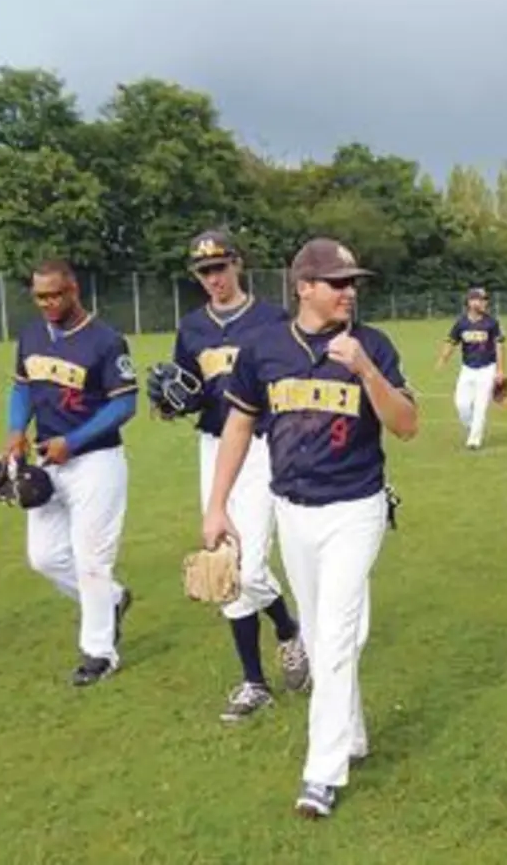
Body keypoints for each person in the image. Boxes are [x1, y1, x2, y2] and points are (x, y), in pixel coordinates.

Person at [202, 238, 418, 819]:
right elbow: (239, 429)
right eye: (337, 282)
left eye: (353, 283)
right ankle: (351, 734)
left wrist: (368, 370)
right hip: (292, 510)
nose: (350, 291)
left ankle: (321, 774)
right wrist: (217, 505)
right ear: (304, 287)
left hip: (356, 507)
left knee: (335, 635)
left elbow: (407, 425)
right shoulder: (264, 348)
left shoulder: (373, 345)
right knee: (327, 635)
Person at [158, 229, 311, 721]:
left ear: (238, 265)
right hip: (216, 448)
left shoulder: (271, 320)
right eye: (204, 272)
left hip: (267, 445)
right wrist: (171, 403)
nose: (214, 278)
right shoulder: (192, 329)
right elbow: (190, 390)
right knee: (223, 564)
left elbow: (294, 377)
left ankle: (286, 629)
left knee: (246, 569)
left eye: (220, 267)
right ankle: (254, 681)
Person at [2, 260, 138, 687]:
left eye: (55, 295)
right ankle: (112, 600)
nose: (48, 303)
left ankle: (99, 653)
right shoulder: (31, 335)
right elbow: (23, 386)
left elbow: (124, 404)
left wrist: (74, 442)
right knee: (43, 557)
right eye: (40, 296)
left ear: (74, 289)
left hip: (95, 463)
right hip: (46, 459)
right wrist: (14, 431)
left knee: (92, 561)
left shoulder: (106, 341)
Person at [434, 286, 506, 450]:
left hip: (487, 368)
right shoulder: (461, 323)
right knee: (462, 405)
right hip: (467, 369)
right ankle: (472, 426)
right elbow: (451, 341)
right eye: (480, 300)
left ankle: (474, 440)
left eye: (484, 300)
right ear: (470, 302)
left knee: (481, 405)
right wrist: (443, 358)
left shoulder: (492, 323)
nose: (484, 303)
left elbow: (500, 346)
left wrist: (500, 370)